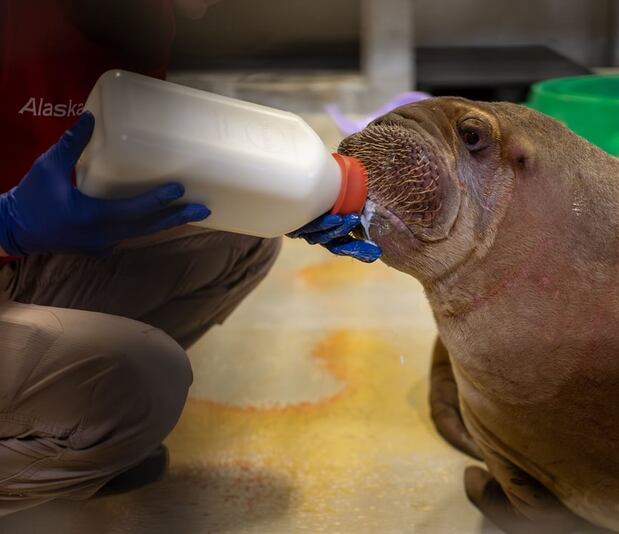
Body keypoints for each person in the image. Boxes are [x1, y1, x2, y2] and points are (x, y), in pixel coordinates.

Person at [0, 0, 379, 516]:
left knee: (236, 237)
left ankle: (55, 419)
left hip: (15, 263)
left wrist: (278, 196)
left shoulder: (140, 18)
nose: (200, 9)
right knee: (139, 382)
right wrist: (8, 224)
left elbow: (123, 151)